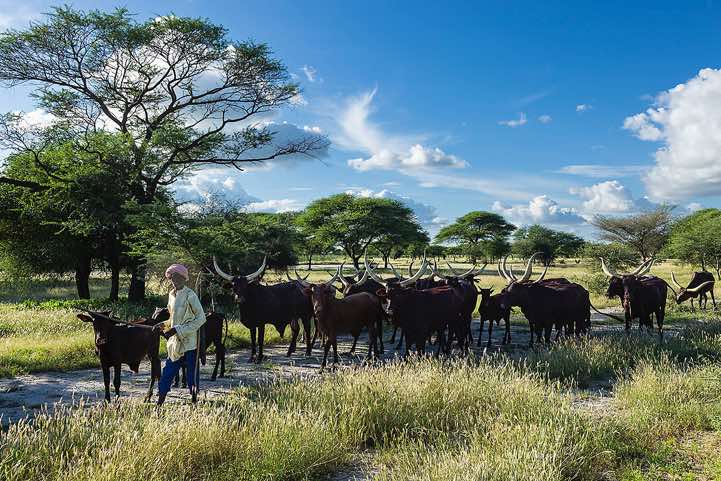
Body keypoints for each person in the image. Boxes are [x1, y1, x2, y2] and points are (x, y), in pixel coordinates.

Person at [154, 264, 206, 406]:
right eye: (172, 277)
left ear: (184, 278)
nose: (174, 280)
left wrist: (178, 330)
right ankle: (159, 404)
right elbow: (172, 318)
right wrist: (163, 325)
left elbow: (201, 318)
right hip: (175, 344)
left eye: (178, 277)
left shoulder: (191, 295)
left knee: (191, 377)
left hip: (190, 343)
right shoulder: (171, 295)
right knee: (167, 374)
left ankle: (194, 403)